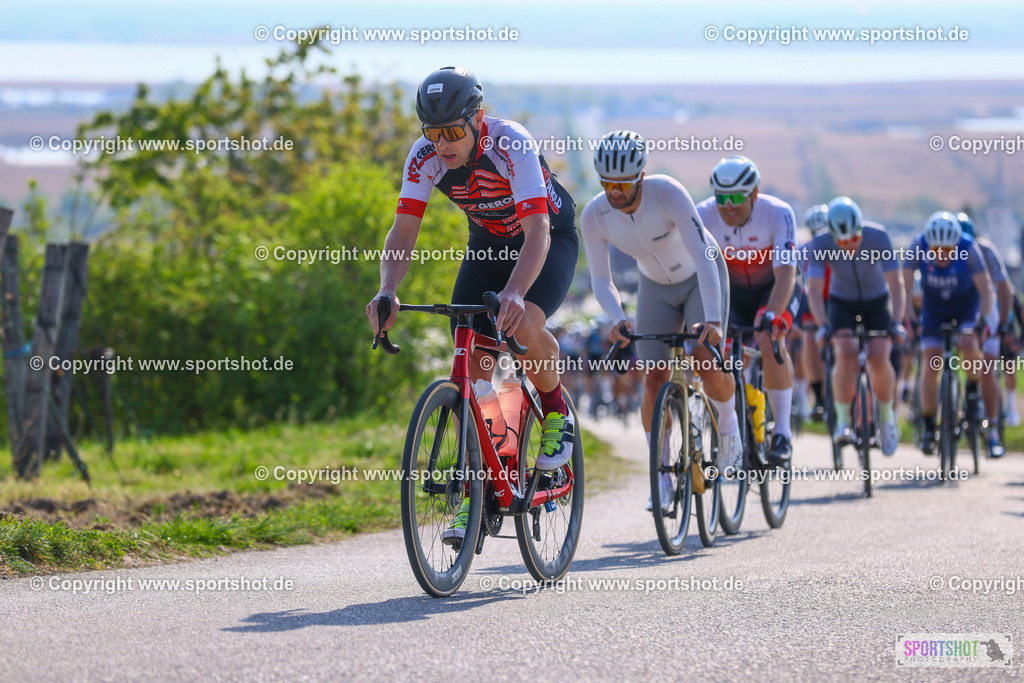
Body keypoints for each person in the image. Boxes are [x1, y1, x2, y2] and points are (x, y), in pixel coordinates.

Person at [365, 66, 579, 546]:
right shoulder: (423, 157)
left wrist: (517, 292)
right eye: (432, 132)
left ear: (477, 119)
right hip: (487, 246)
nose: (442, 143)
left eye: (453, 132)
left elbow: (539, 232)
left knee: (522, 328)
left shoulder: (511, 143)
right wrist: (387, 290)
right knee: (474, 362)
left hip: (545, 239)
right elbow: (403, 232)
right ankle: (481, 493)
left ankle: (554, 407)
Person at [579, 130, 740, 509]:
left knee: (706, 359)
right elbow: (602, 281)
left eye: (624, 184)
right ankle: (661, 476)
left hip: (701, 280)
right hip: (656, 289)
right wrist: (618, 318)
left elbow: (704, 255)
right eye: (607, 184)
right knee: (653, 378)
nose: (615, 192)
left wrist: (714, 320)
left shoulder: (667, 192)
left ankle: (730, 431)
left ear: (642, 176)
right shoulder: (595, 215)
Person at [696, 156, 800, 464]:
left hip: (773, 289)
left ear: (754, 193)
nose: (728, 205)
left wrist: (772, 314)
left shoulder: (778, 213)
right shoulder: (702, 215)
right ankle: (729, 428)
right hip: (732, 294)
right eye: (721, 197)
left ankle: (782, 433)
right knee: (715, 352)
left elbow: (786, 274)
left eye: (736, 197)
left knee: (770, 337)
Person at [806, 197, 905, 456]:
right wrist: (823, 325)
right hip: (842, 303)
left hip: (877, 300)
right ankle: (841, 421)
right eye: (842, 242)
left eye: (854, 238)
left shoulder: (879, 237)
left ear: (861, 228)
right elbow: (814, 291)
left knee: (880, 356)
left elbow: (896, 284)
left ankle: (885, 417)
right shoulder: (820, 243)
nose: (850, 245)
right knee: (846, 352)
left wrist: (896, 321)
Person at [902, 211, 995, 455]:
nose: (942, 255)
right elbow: (903, 284)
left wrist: (983, 320)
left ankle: (973, 391)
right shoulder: (917, 245)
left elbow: (986, 288)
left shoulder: (968, 246)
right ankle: (930, 426)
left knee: (967, 341)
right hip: (934, 310)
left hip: (966, 307)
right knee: (930, 362)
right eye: (937, 249)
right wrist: (910, 318)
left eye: (948, 250)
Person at [957, 212, 1007, 457]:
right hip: (960, 307)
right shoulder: (946, 251)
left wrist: (1004, 323)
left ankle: (993, 431)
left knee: (988, 366)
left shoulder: (986, 250)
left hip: (986, 309)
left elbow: (1003, 288)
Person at [796, 204, 831, 421]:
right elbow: (798, 284)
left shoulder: (840, 247)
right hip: (811, 298)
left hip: (836, 297)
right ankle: (818, 397)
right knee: (809, 340)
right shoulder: (803, 251)